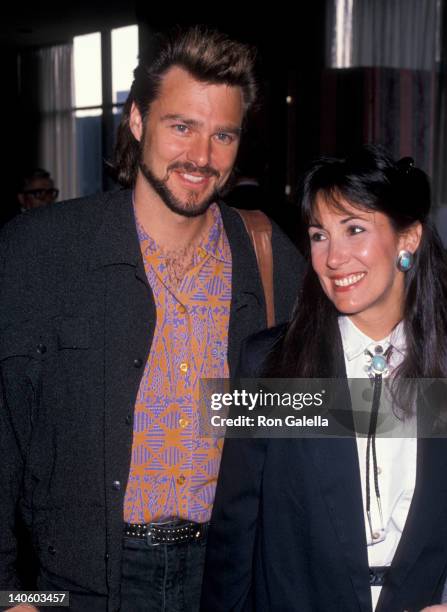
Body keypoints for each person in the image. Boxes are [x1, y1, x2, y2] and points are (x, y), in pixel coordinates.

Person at [0, 26, 303, 612]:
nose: (201, 157)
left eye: (223, 135)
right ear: (138, 120)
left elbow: (309, 416)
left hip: (227, 575)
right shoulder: (39, 251)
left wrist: (425, 405)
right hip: (75, 586)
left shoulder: (267, 257)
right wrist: (14, 593)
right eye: (181, 126)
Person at [201, 145, 447, 612]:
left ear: (407, 238)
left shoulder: (444, 365)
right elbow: (235, 537)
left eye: (354, 229)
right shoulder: (273, 365)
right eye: (319, 235)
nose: (333, 258)